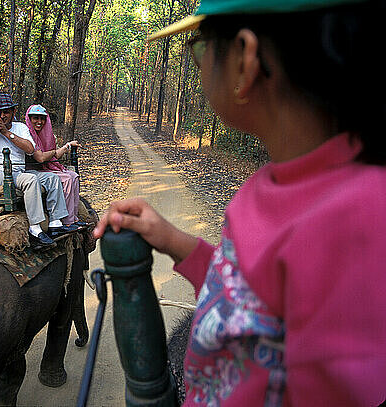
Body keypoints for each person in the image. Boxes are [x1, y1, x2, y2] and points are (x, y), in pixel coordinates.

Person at [94, 0, 386, 405]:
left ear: (246, 60)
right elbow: (250, 297)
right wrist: (174, 241)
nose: (197, 63)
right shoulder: (272, 183)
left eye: (199, 48)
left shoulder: (359, 219)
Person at [0, 93, 77, 249]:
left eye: (6, 112)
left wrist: (6, 132)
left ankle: (54, 223)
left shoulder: (21, 128)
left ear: (13, 111)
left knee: (52, 178)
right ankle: (35, 228)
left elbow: (30, 148)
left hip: (18, 173)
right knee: (30, 180)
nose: (2, 115)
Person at [25, 104, 85, 227]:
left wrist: (67, 145)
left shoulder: (46, 134)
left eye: (42, 119)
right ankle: (66, 221)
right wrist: (52, 152)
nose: (39, 122)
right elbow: (41, 157)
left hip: (47, 167)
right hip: (33, 170)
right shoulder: (27, 134)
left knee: (73, 176)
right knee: (67, 179)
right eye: (35, 118)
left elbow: (55, 155)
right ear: (29, 119)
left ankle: (73, 217)